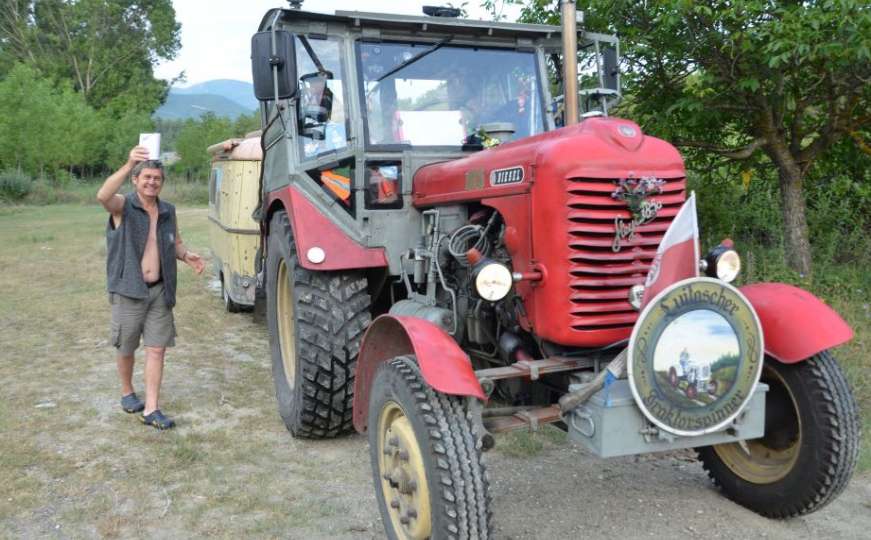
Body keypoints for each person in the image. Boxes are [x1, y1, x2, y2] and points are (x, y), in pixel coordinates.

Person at [96, 146, 205, 429]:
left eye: (157, 178)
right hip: (128, 289)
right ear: (136, 179)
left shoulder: (168, 210)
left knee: (157, 350)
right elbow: (103, 196)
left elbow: (174, 242)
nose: (151, 182)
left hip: (159, 291)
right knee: (127, 347)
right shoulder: (124, 206)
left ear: (162, 182)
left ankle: (152, 409)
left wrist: (186, 255)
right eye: (146, 177)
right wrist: (129, 161)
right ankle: (127, 392)